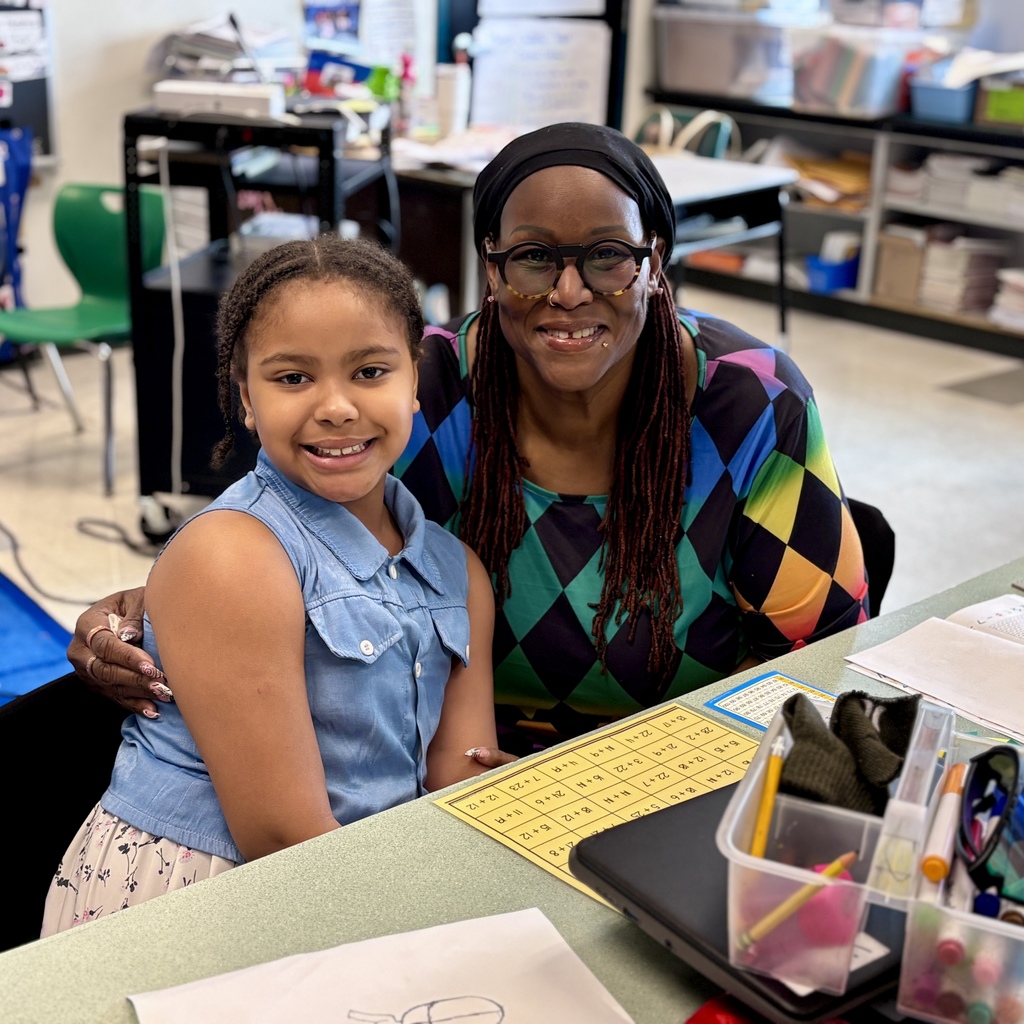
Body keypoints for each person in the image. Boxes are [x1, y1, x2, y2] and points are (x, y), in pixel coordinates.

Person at [70, 122, 867, 756]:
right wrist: (148, 609)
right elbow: (273, 536)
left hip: (683, 779)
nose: (567, 291)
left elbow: (820, 660)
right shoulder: (424, 389)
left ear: (656, 262)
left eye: (607, 256)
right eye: (531, 258)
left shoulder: (749, 399)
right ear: (491, 268)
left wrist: (647, 777)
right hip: (443, 780)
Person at [43, 236, 497, 933]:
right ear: (246, 395)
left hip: (354, 883)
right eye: (292, 379)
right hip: (200, 895)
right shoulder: (231, 556)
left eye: (371, 371)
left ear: (417, 381)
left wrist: (519, 809)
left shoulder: (455, 570)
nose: (337, 407)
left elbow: (456, 778)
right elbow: (283, 840)